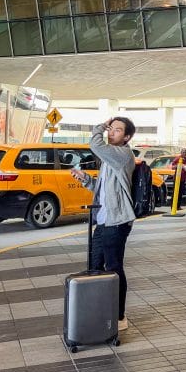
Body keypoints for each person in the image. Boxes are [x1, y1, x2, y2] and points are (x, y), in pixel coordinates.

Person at [70, 116, 136, 332]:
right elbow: (103, 190)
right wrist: (85, 179)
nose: (111, 132)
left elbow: (94, 144)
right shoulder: (110, 159)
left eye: (116, 130)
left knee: (114, 267)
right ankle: (98, 312)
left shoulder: (123, 154)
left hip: (117, 222)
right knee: (94, 266)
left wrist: (98, 127)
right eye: (110, 129)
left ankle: (119, 316)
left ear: (126, 137)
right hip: (103, 221)